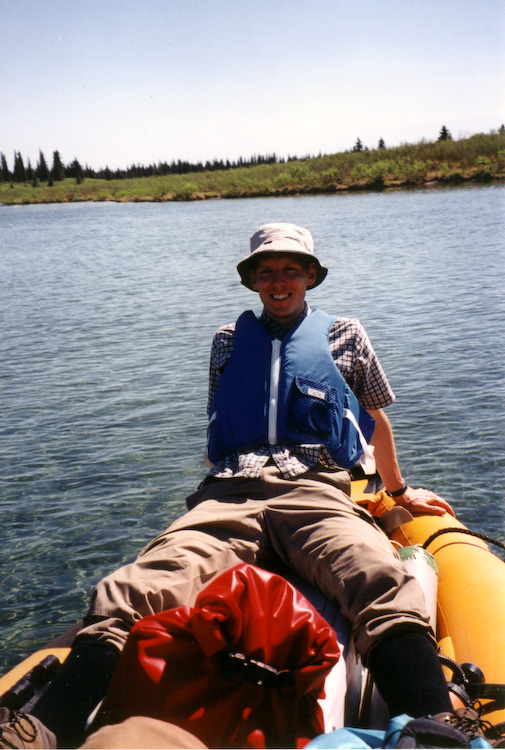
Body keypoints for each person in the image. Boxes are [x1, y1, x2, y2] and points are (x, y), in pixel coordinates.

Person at [1, 223, 456, 749]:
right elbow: (220, 423)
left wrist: (399, 495)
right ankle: (44, 727)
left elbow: (376, 421)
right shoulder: (227, 341)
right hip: (230, 490)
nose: (278, 282)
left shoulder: (347, 334)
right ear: (253, 281)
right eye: (266, 272)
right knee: (135, 586)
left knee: (375, 574)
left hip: (315, 488)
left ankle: (433, 728)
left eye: (291, 270)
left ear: (310, 275)